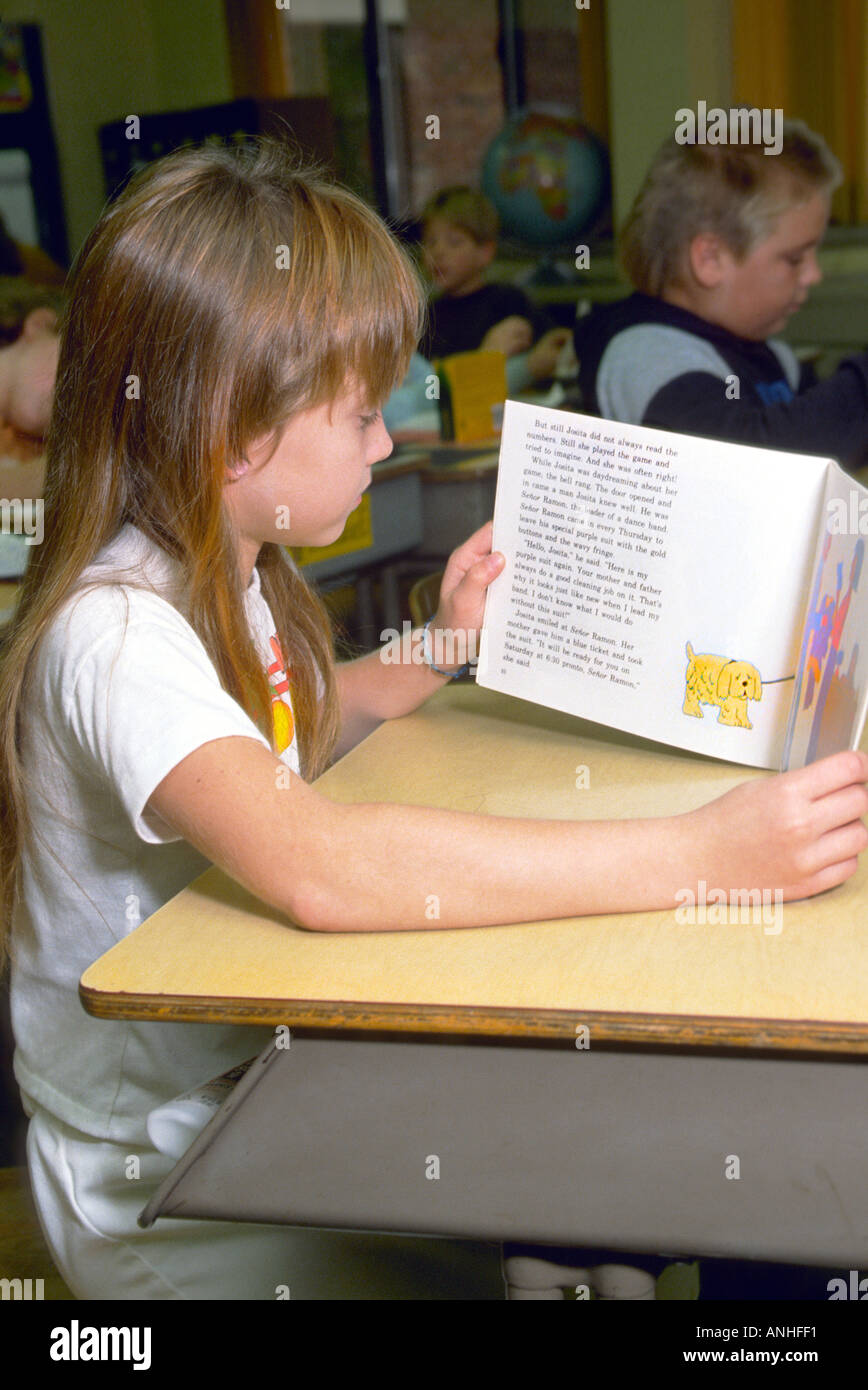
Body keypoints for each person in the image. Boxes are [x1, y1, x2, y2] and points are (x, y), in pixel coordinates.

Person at [1, 140, 866, 1302]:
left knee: (571, 1196)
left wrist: (444, 643)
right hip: (160, 1176)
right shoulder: (115, 633)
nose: (383, 441)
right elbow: (317, 865)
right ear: (231, 428)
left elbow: (305, 720)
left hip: (256, 1077)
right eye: (362, 413)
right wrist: (701, 853)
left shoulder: (224, 565)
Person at [575, 119, 868, 467]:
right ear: (710, 260)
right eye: (794, 258)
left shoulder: (771, 354)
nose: (814, 274)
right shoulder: (644, 357)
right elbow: (742, 462)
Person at [420, 185, 570, 383]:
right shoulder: (426, 318)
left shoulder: (509, 301)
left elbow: (552, 345)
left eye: (454, 242)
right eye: (430, 242)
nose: (438, 252)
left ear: (485, 252)